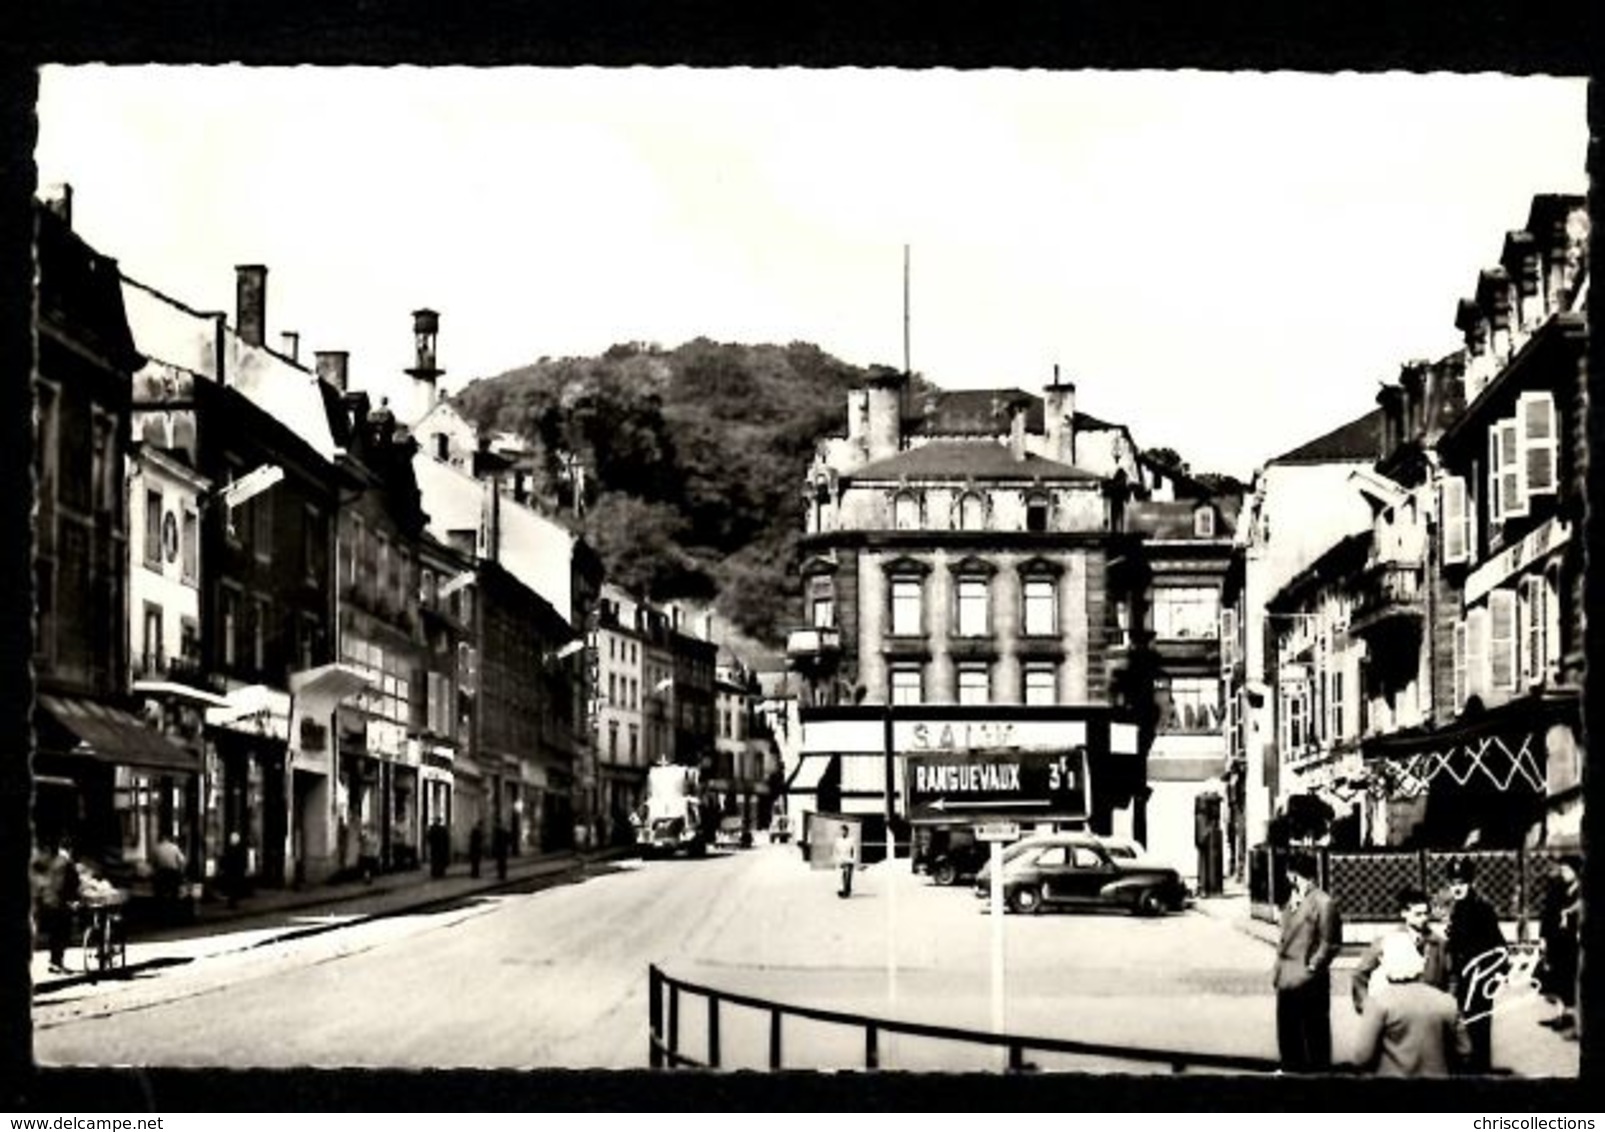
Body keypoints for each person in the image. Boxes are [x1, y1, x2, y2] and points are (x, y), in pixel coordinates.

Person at [1353, 932, 1472, 1077]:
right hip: (1439, 1091)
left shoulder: (1378, 1003)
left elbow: (1362, 1057)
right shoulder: (1447, 1001)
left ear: (1385, 962)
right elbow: (1465, 1050)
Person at [1272, 853, 1342, 1072]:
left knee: (1315, 1031)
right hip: (1286, 975)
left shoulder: (1323, 902)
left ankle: (1318, 1078)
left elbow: (1330, 942)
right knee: (1287, 1029)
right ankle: (1291, 1070)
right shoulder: (1291, 902)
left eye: (1289, 875)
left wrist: (1313, 966)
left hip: (1309, 977)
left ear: (1294, 875)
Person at [1444, 857, 1507, 1073]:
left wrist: (1495, 976)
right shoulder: (1458, 908)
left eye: (1461, 882)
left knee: (1478, 1031)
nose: (1457, 888)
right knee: (1465, 1029)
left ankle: (1480, 1073)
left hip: (1478, 980)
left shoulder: (1482, 909)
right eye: (1453, 883)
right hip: (1462, 979)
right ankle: (1474, 1070)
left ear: (1471, 883)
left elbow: (1499, 946)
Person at [1351, 885, 1449, 1014]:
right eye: (1418, 914)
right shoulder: (1389, 940)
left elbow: (1451, 977)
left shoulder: (1439, 942)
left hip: (1431, 1013)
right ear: (1404, 913)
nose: (1424, 919)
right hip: (1400, 1013)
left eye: (1426, 913)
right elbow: (1360, 974)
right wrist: (1365, 1005)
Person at [1538, 855, 1581, 1036]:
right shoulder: (1559, 888)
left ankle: (1572, 1020)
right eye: (1562, 869)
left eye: (1566, 870)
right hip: (1558, 942)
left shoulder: (1582, 891)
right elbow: (1547, 914)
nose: (1562, 873)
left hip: (1573, 943)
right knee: (1558, 979)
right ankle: (1561, 1016)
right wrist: (1543, 938)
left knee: (1570, 981)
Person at [35, 839, 80, 974]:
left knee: (54, 934)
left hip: (48, 901)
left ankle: (53, 962)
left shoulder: (52, 861)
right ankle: (58, 963)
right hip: (61, 904)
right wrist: (75, 900)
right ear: (69, 850)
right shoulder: (67, 863)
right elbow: (73, 883)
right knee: (62, 934)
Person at [150, 833, 188, 921]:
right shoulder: (174, 847)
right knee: (174, 894)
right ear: (168, 838)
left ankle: (161, 913)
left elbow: (153, 863)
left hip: (161, 873)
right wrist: (181, 871)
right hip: (173, 873)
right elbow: (182, 861)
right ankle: (174, 913)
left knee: (160, 894)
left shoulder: (156, 848)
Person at [831, 824, 858, 898]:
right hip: (841, 859)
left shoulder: (851, 840)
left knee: (848, 875)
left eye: (844, 831)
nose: (843, 832)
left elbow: (855, 850)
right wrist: (836, 859)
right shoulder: (838, 840)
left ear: (847, 832)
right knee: (843, 875)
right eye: (841, 831)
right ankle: (846, 889)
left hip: (849, 859)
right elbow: (835, 850)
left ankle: (845, 892)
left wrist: (853, 859)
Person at [222, 830, 248, 908]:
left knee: (233, 888)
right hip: (233, 872)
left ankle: (232, 902)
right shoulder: (235, 849)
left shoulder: (232, 849)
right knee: (233, 888)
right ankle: (232, 902)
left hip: (233, 872)